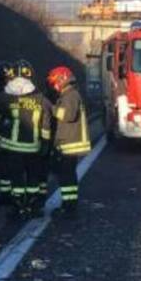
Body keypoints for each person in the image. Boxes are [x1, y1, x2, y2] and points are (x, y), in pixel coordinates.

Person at [0, 60, 52, 219]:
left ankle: (18, 208)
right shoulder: (41, 98)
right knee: (33, 179)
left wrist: (1, 124)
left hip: (13, 148)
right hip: (33, 148)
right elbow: (46, 123)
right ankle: (32, 207)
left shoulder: (7, 97)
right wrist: (45, 143)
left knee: (16, 179)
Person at [47, 66, 92, 215]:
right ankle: (69, 205)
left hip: (70, 144)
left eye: (55, 83)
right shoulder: (69, 94)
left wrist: (50, 108)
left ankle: (69, 208)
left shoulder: (70, 95)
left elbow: (68, 115)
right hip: (68, 143)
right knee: (67, 176)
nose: (54, 86)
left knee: (66, 177)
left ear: (62, 80)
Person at [0, 60, 17, 205]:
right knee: (5, 168)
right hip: (3, 135)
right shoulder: (2, 91)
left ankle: (5, 195)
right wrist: (2, 122)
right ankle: (6, 196)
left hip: (2, 134)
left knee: (5, 168)